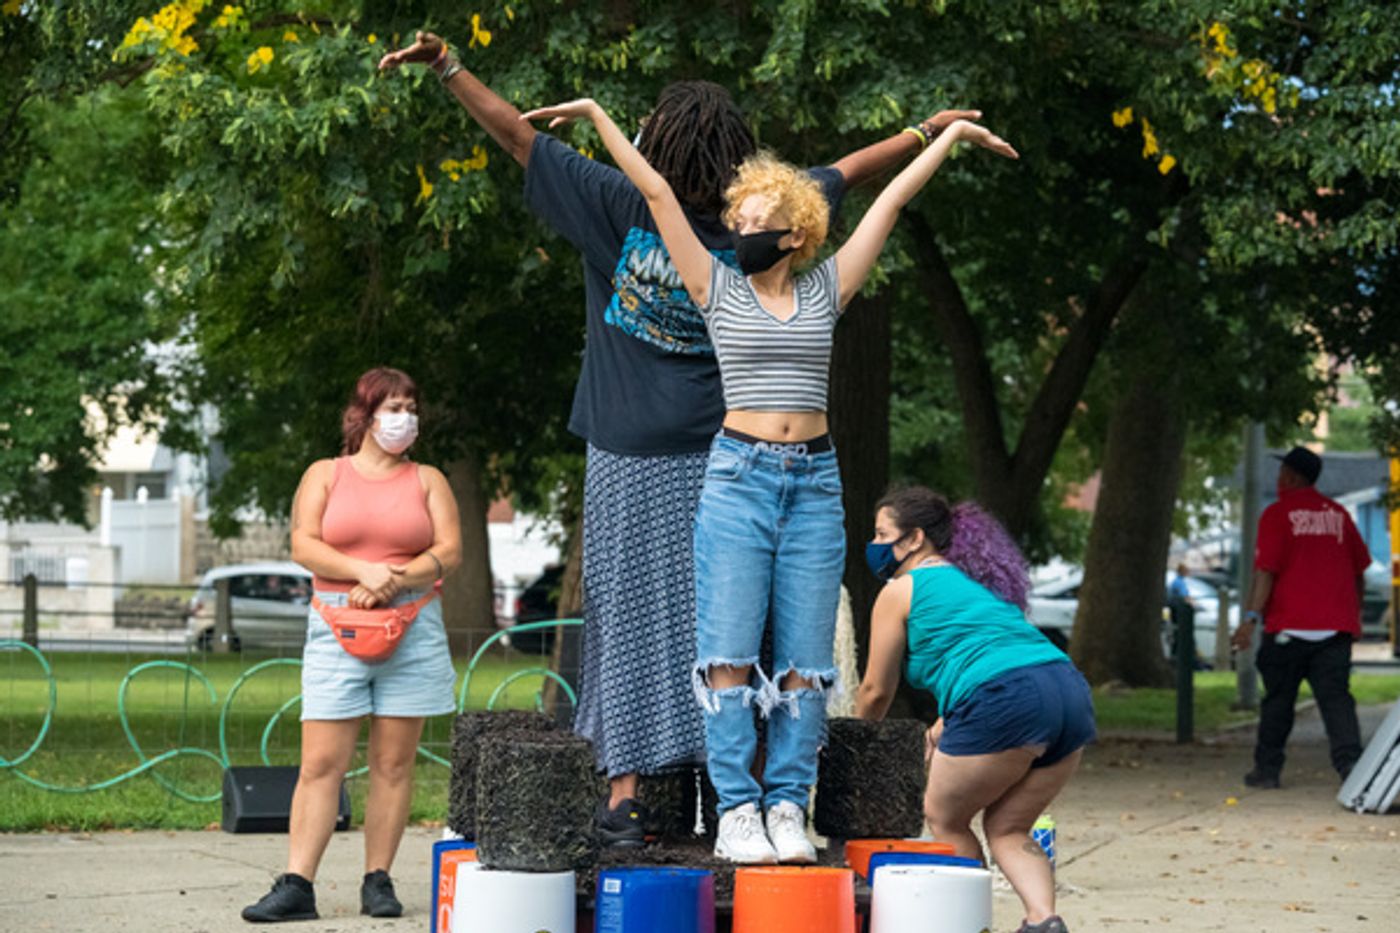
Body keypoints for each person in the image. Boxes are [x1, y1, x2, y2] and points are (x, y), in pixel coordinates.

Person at [379, 31, 984, 847]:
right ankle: (740, 794)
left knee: (629, 619)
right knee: (745, 628)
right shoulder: (764, 213)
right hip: (740, 454)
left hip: (633, 449)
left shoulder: (622, 200)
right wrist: (919, 132)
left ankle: (629, 795)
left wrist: (451, 66)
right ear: (738, 158)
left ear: (653, 144)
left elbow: (517, 136)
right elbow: (848, 172)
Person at [518, 92, 1016, 864]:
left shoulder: (826, 289)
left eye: (751, 222)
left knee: (802, 660)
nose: (737, 231)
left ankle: (787, 803)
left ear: (795, 231)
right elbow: (652, 188)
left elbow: (885, 196)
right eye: (736, 220)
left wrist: (941, 139)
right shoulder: (716, 287)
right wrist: (595, 116)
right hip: (738, 476)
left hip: (814, 483)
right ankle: (738, 809)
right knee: (724, 650)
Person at [242, 367, 461, 923]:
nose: (404, 417)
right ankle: (297, 883)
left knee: (394, 763)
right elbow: (304, 544)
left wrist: (396, 579)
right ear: (363, 414)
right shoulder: (326, 474)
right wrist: (366, 571)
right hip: (335, 626)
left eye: (411, 406)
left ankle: (378, 881)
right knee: (321, 762)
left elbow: (450, 550)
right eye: (392, 407)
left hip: (412, 626)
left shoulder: (428, 479)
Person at [854, 487, 1094, 933]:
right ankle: (1044, 922)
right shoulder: (980, 585)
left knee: (945, 816)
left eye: (882, 533)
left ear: (914, 539)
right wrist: (939, 731)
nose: (874, 544)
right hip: (1067, 692)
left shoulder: (900, 590)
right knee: (1008, 826)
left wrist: (855, 754)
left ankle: (971, 925)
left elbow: (874, 691)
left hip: (1005, 698)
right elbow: (995, 657)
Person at [1231, 446, 1370, 789]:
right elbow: (1358, 571)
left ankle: (1267, 771)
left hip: (1288, 628)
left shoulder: (1277, 515)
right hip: (1335, 629)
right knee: (1337, 701)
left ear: (1292, 477)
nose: (1278, 479)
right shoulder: (1339, 515)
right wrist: (1354, 614)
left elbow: (1265, 572)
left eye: (1282, 473)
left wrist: (1250, 618)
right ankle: (1351, 766)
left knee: (1279, 701)